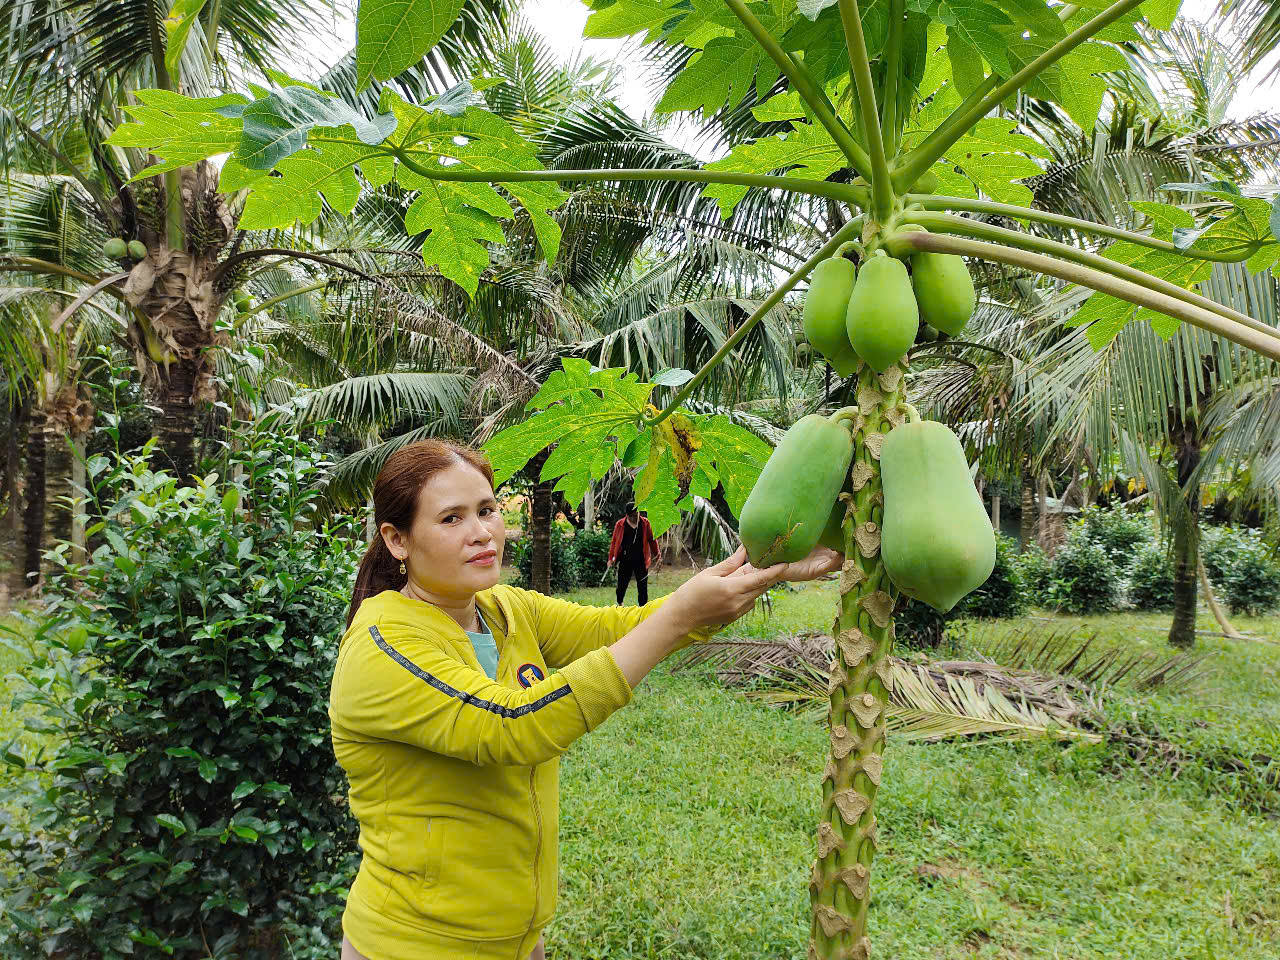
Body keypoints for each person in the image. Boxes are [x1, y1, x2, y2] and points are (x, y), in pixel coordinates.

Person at [330, 439, 841, 960]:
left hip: (517, 940)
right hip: (415, 946)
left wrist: (764, 569)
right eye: (451, 519)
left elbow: (615, 627)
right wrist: (678, 619)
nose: (482, 533)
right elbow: (514, 726)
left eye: (486, 510)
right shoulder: (384, 646)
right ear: (397, 540)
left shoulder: (502, 608)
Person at [606, 501, 660, 605]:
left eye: (635, 515)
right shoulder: (620, 524)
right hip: (625, 559)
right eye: (630, 516)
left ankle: (642, 607)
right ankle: (620, 603)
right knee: (621, 584)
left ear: (639, 513)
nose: (633, 518)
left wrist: (658, 556)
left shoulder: (646, 524)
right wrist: (610, 558)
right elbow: (614, 542)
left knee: (642, 585)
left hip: (641, 559)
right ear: (627, 515)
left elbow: (652, 541)